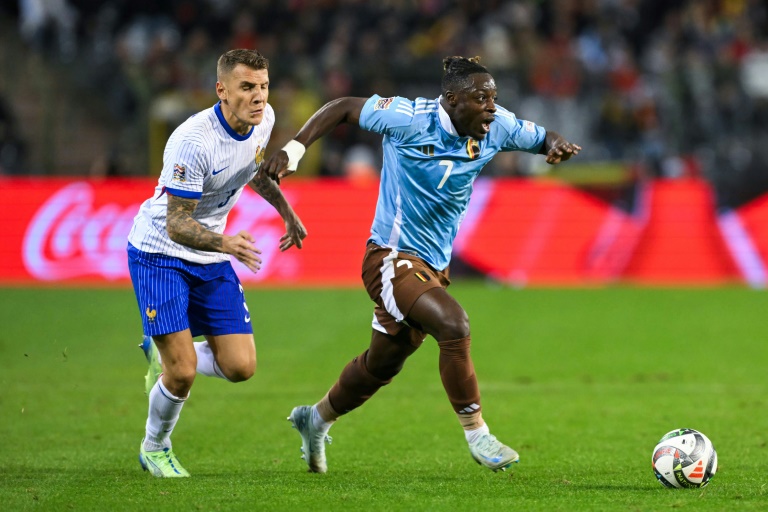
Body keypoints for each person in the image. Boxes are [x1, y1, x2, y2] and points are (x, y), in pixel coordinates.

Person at [262, 56, 581, 473]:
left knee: (381, 365)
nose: (491, 106)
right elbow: (342, 107)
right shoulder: (408, 118)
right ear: (451, 99)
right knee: (454, 326)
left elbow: (542, 137)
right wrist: (294, 150)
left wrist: (555, 144)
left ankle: (315, 418)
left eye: (494, 98)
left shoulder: (497, 125)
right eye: (480, 98)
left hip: (433, 267)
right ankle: (477, 432)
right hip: (389, 257)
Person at [127, 49, 307, 478]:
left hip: (209, 253)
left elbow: (255, 171)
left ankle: (162, 347)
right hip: (160, 255)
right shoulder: (195, 142)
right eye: (247, 87)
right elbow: (175, 225)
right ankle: (155, 447)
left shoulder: (264, 120)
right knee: (183, 372)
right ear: (221, 91)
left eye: (263, 86)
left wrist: (286, 211)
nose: (259, 97)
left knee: (241, 367)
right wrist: (227, 242)